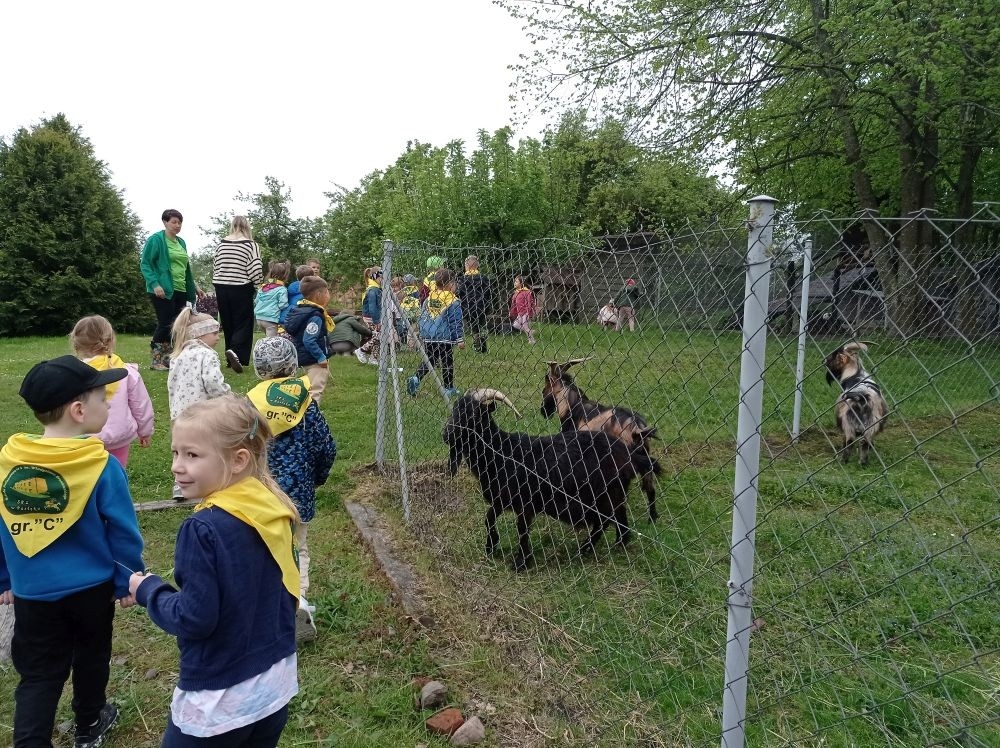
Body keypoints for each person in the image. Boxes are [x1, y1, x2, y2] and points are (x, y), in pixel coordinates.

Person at [127, 395, 299, 747]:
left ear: (237, 460)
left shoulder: (203, 530)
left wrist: (148, 590)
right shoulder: (273, 507)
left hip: (219, 702)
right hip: (273, 686)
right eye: (175, 453)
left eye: (192, 455)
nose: (176, 466)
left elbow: (194, 618)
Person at [0, 355, 145, 748]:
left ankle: (30, 741)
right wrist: (128, 577)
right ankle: (88, 724)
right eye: (104, 397)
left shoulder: (9, 463)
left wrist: (4, 578)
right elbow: (123, 531)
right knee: (91, 656)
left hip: (32, 592)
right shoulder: (100, 465)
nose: (110, 403)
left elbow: (1, 524)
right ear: (79, 410)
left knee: (39, 673)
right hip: (90, 590)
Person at [247, 337, 336, 641]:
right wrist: (318, 477)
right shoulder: (305, 401)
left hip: (257, 491)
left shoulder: (247, 405)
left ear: (259, 370)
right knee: (298, 547)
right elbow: (326, 446)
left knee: (259, 545)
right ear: (293, 364)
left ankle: (260, 603)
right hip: (298, 491)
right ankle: (298, 602)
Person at [70, 314, 154, 467]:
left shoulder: (72, 373)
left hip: (83, 438)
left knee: (88, 477)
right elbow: (140, 404)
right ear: (110, 340)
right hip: (118, 436)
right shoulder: (126, 372)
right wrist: (145, 431)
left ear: (76, 344)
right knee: (117, 472)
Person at [140, 208, 202, 371]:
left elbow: (185, 268)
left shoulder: (181, 242)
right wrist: (155, 284)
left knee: (177, 325)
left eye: (180, 222)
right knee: (165, 323)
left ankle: (170, 359)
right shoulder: (156, 240)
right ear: (165, 222)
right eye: (174, 222)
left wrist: (194, 286)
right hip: (162, 289)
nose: (177, 225)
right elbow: (145, 263)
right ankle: (157, 360)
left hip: (180, 289)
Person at [212, 215, 263, 372]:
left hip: (221, 286)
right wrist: (258, 284)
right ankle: (236, 353)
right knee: (243, 323)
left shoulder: (222, 244)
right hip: (241, 286)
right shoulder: (250, 245)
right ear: (247, 227)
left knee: (228, 323)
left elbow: (215, 265)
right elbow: (255, 268)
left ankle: (230, 356)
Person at [407, 268, 464, 398]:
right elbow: (455, 321)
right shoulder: (452, 301)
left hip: (429, 335)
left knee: (430, 360)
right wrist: (459, 338)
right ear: (450, 284)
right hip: (445, 337)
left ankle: (416, 378)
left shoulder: (429, 298)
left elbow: (423, 315)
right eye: (455, 283)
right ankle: (448, 388)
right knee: (447, 362)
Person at [167, 308, 231, 422]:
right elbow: (213, 382)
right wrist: (227, 395)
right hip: (202, 417)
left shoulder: (178, 356)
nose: (218, 337)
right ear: (199, 334)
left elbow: (172, 386)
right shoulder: (207, 354)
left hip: (179, 416)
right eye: (214, 333)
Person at [282, 276, 334, 403]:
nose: (329, 294)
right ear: (318, 295)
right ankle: (312, 416)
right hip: (314, 360)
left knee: (307, 387)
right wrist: (321, 357)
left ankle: (305, 412)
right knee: (315, 389)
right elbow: (309, 340)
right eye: (326, 291)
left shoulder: (301, 309)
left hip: (304, 356)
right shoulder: (315, 316)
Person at [456, 255, 493, 353]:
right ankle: (483, 345)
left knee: (473, 327)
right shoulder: (484, 278)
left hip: (468, 307)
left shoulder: (463, 279)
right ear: (477, 266)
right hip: (482, 307)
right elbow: (489, 292)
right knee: (481, 325)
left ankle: (477, 345)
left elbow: (458, 293)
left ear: (466, 266)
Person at [254, 260, 291, 338]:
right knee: (271, 342)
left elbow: (256, 301)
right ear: (285, 276)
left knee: (267, 340)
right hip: (270, 320)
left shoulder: (262, 287)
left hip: (259, 318)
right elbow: (283, 305)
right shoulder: (281, 289)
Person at [356, 267, 382, 366]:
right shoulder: (373, 290)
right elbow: (372, 308)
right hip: (370, 318)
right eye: (381, 277)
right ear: (375, 277)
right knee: (379, 335)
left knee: (378, 336)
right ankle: (361, 350)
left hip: (374, 317)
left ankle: (373, 358)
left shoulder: (376, 289)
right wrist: (376, 321)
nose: (383, 280)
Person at [510, 275, 537, 345]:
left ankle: (532, 340)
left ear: (521, 283)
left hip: (526, 312)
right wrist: (512, 312)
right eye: (514, 281)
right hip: (520, 313)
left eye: (516, 282)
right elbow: (514, 305)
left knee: (525, 326)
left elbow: (530, 303)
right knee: (515, 325)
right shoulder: (516, 293)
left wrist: (529, 312)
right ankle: (530, 331)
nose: (514, 283)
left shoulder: (527, 292)